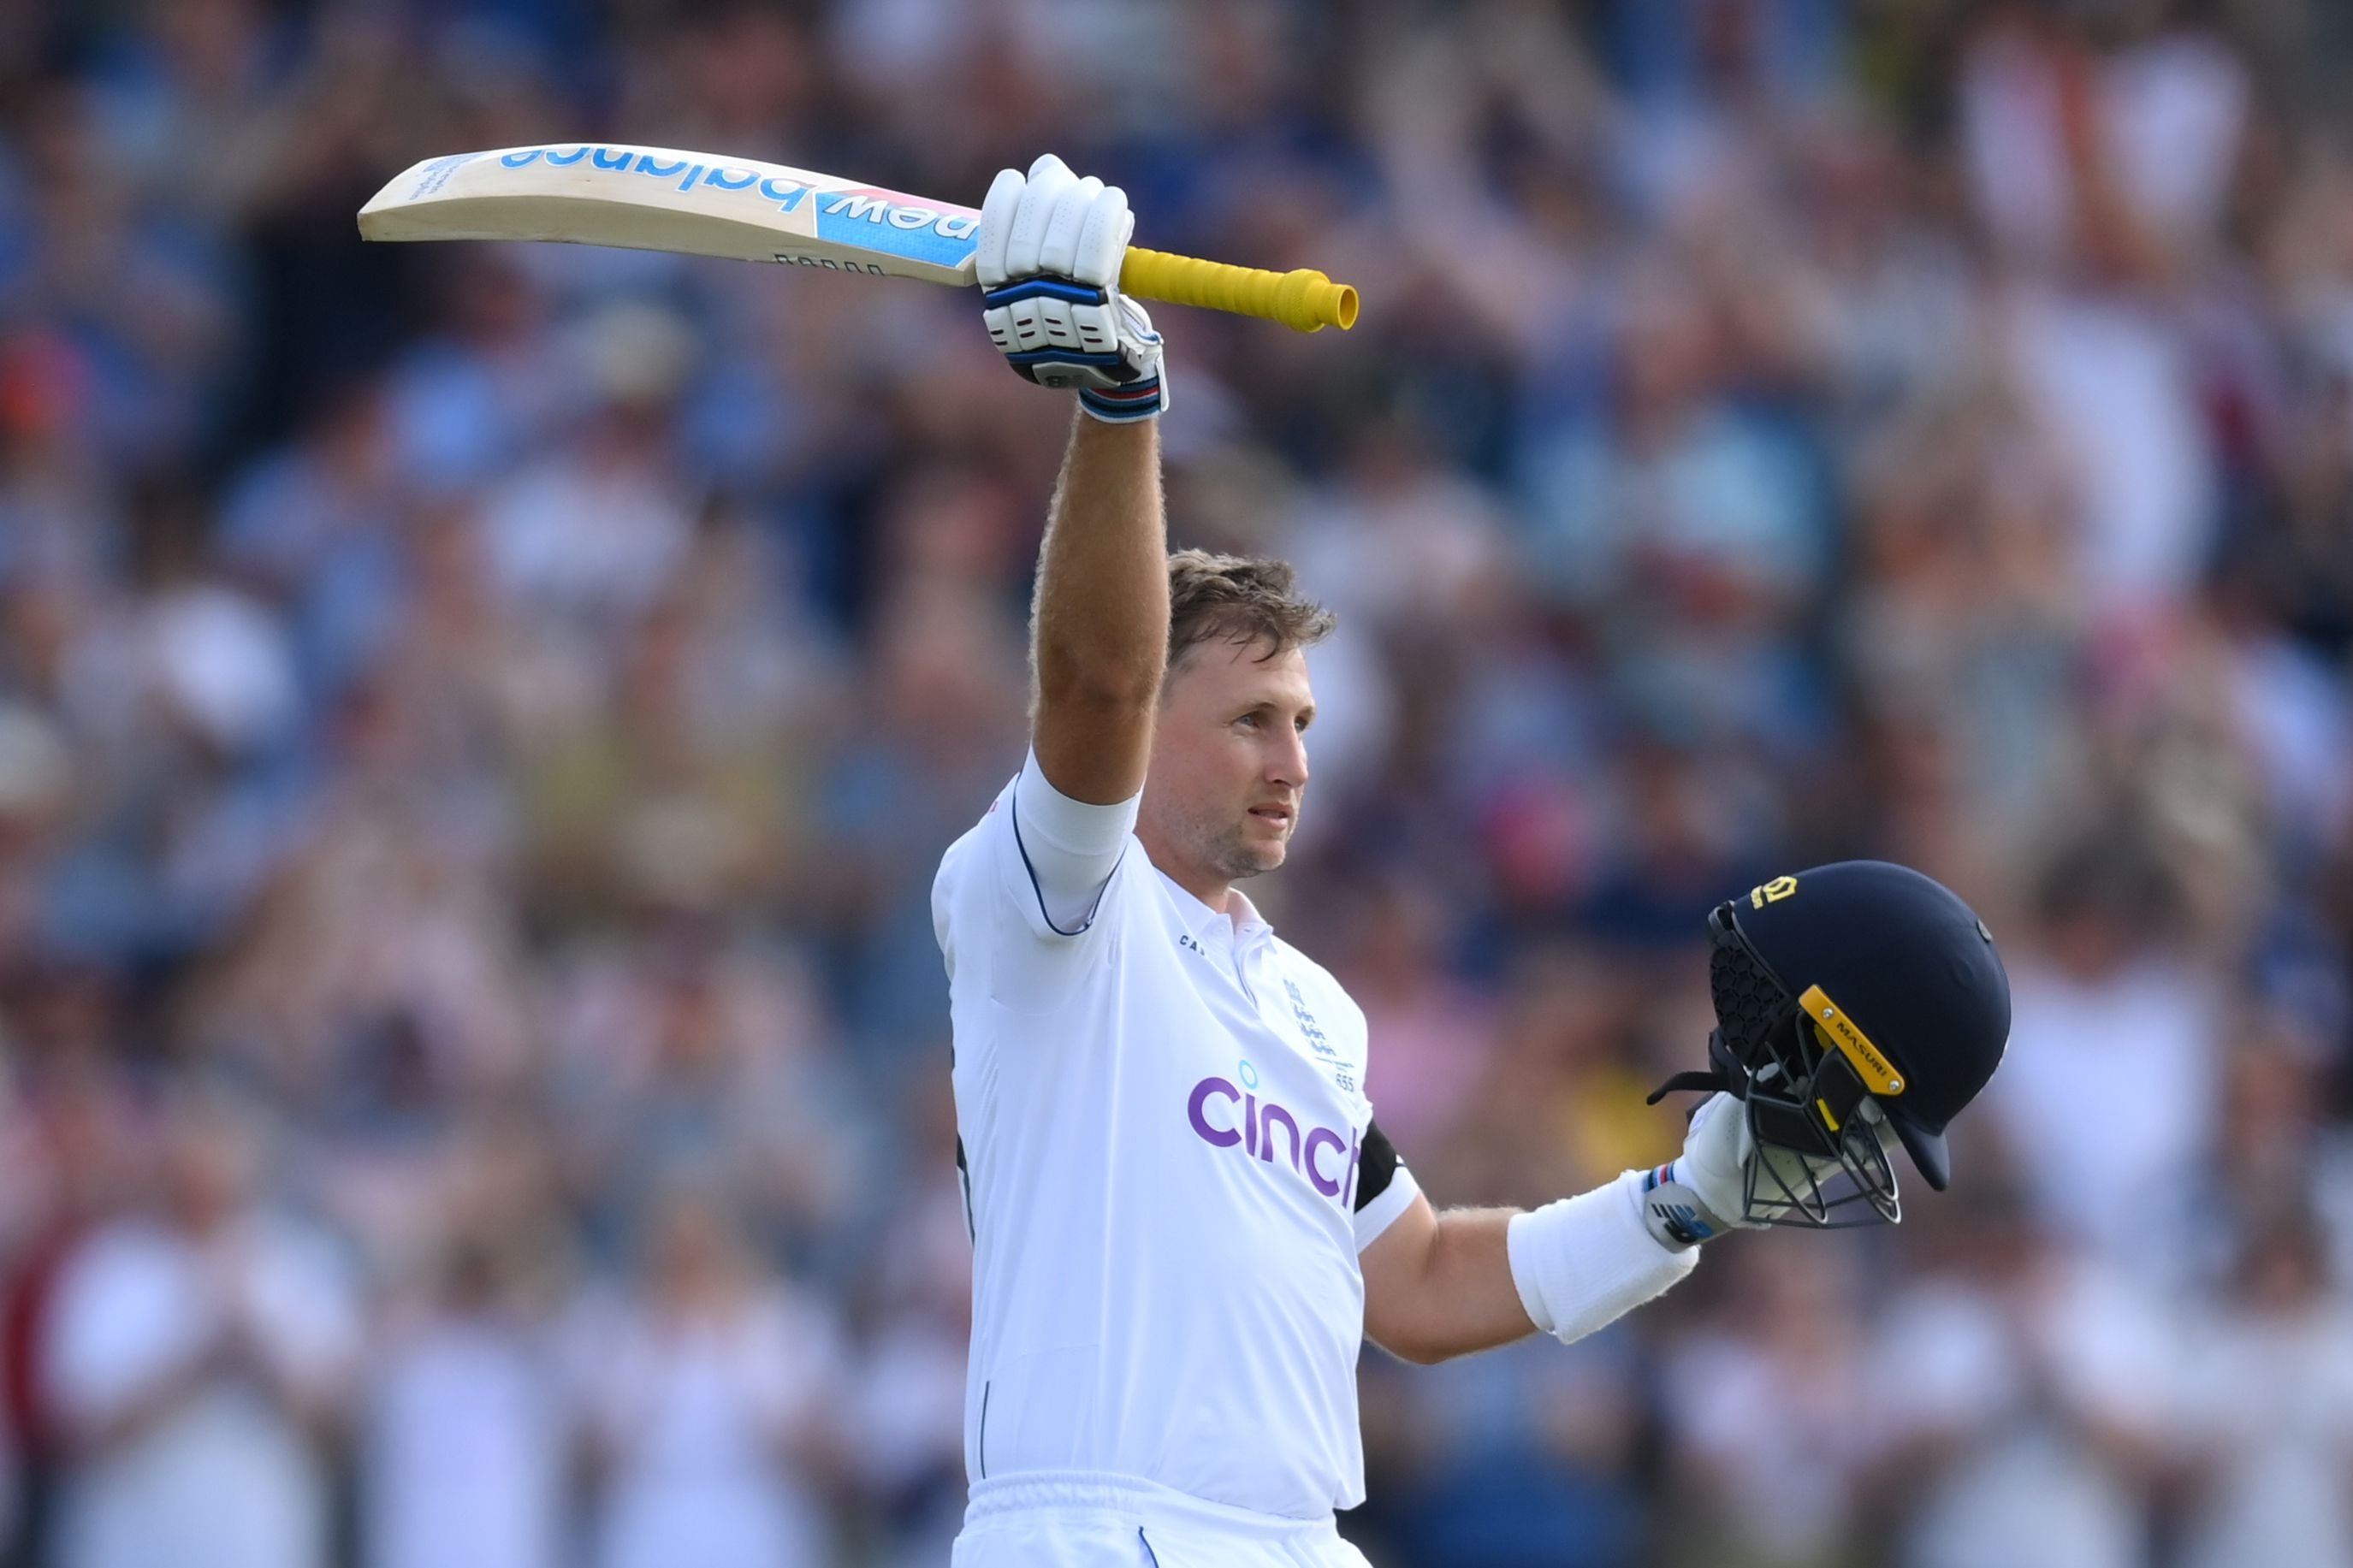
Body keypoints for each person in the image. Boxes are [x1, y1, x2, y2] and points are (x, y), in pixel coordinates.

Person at [933, 155, 2014, 1568]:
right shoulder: (1049, 907)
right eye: (1251, 718)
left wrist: (1676, 1201)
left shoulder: (1310, 1009)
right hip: (1094, 1530)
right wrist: (1122, 402)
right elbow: (1088, 679)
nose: (1294, 760)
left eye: (1306, 721)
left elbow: (1426, 1283)